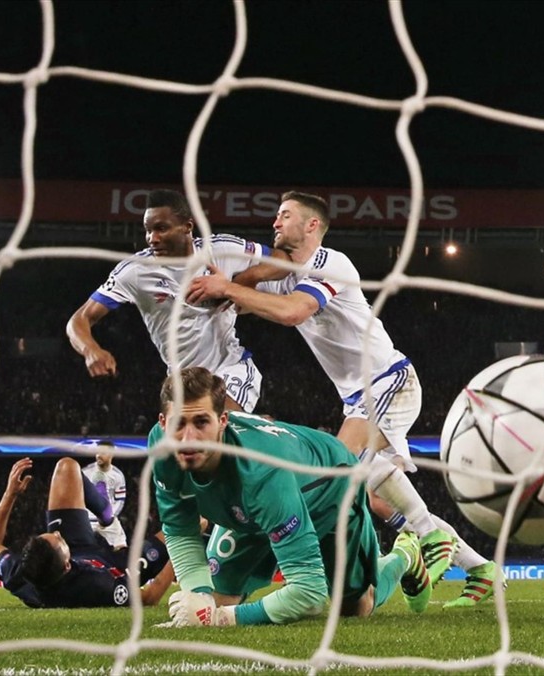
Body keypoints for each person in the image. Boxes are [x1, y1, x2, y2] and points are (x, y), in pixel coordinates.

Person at [186, 191, 494, 608]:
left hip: (388, 381)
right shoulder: (282, 274)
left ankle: (423, 539)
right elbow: (244, 296)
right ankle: (475, 565)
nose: (275, 222)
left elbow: (293, 312)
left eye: (285, 215)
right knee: (368, 486)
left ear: (312, 225)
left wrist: (232, 287)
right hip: (357, 398)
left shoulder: (332, 263)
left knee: (336, 470)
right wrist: (224, 284)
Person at [150, 367, 430, 626]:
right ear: (163, 423)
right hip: (254, 506)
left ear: (223, 420)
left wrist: (222, 618)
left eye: (201, 423)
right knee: (214, 599)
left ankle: (405, 554)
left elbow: (310, 594)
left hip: (331, 489)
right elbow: (180, 529)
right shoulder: (162, 448)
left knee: (355, 608)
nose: (188, 439)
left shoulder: (263, 473)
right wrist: (199, 598)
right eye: (178, 424)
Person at [66, 189, 274, 412]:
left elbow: (280, 260)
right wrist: (91, 350)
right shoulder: (135, 271)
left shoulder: (221, 250)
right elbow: (80, 319)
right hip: (183, 382)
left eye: (161, 229)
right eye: (148, 231)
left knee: (217, 424)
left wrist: (239, 283)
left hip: (230, 367)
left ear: (188, 226)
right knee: (192, 441)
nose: (152, 239)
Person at [0, 457, 175, 608]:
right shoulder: (95, 586)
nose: (57, 533)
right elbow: (149, 598)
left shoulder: (22, 573)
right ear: (67, 565)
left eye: (50, 534)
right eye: (58, 540)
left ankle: (107, 516)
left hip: (78, 546)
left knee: (66, 467)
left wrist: (10, 494)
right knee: (178, 529)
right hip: (112, 567)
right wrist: (184, 543)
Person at [82, 449, 128, 550]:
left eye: (103, 453)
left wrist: (110, 516)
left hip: (108, 520)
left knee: (122, 548)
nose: (99, 455)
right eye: (97, 452)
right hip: (88, 521)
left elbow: (120, 500)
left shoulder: (117, 475)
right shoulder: (85, 472)